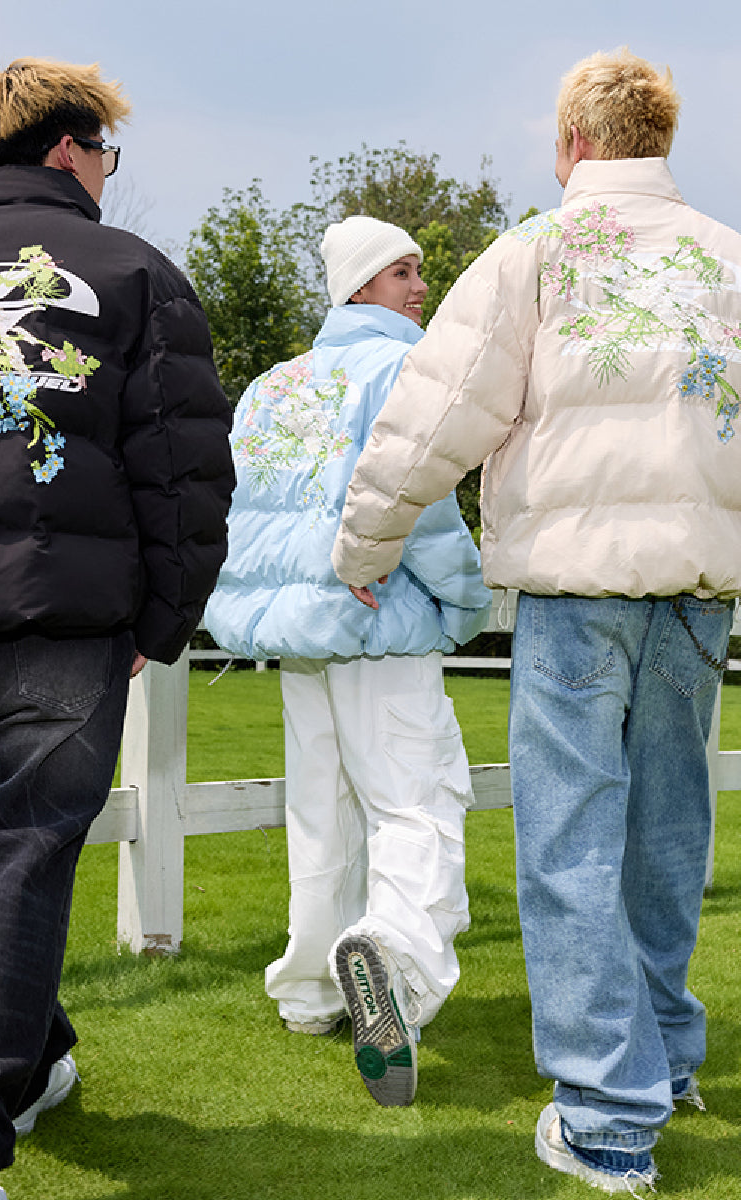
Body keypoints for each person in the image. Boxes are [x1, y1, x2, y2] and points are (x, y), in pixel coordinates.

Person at [331, 49, 741, 1193]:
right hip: (697, 599)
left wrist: (364, 544)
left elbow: (433, 416)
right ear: (659, 140)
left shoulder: (534, 254)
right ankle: (660, 1055)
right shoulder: (727, 258)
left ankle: (608, 1117)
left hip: (572, 593)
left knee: (568, 842)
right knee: (665, 835)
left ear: (569, 145)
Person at [0, 58, 234, 1200]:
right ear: (68, 149)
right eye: (106, 150)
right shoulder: (134, 273)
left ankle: (39, 1058)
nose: (108, 171)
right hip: (65, 618)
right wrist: (165, 618)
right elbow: (184, 472)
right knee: (16, 855)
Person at [205, 214, 490, 1107]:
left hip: (302, 636)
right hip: (382, 624)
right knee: (418, 802)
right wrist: (468, 604)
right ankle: (393, 967)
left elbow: (240, 520)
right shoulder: (403, 368)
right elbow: (427, 511)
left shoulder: (272, 386)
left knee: (321, 811)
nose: (420, 288)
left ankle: (310, 990)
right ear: (362, 283)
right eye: (404, 272)